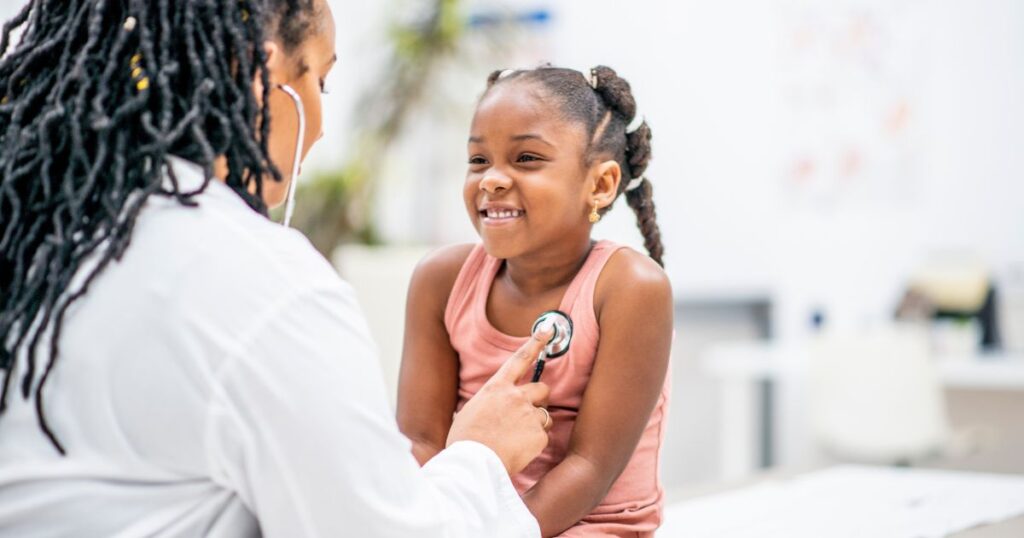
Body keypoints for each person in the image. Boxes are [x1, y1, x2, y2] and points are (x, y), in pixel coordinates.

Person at [0, 1, 553, 536]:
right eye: (320, 82)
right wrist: (482, 455)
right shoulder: (255, 282)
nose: (319, 126)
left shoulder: (31, 229)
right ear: (259, 74)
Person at [396, 66, 674, 537]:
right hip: (474, 524)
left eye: (525, 158)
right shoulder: (440, 280)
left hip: (588, 524)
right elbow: (421, 440)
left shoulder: (630, 288)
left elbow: (589, 467)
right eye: (478, 160)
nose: (491, 180)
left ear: (601, 185)